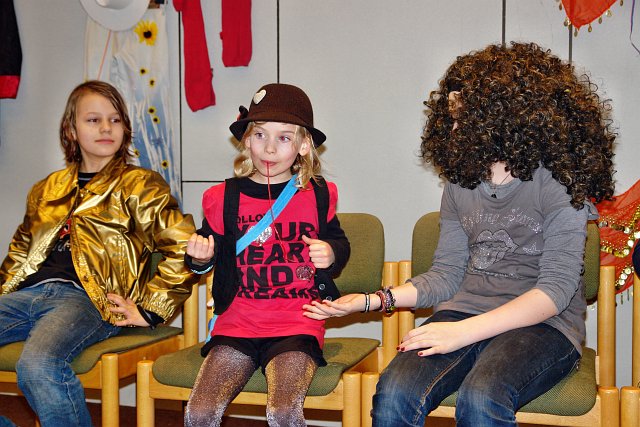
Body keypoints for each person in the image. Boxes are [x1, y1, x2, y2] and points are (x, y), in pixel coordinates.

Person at [304, 42, 616, 426]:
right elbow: (446, 276)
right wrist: (370, 301)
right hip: (464, 312)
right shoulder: (459, 183)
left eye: (463, 118)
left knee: (483, 397)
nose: (452, 128)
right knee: (394, 392)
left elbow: (554, 292)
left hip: (545, 327)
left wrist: (462, 333)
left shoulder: (559, 183)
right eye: (451, 118)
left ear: (504, 118)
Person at [0, 80, 198, 427]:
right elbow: (20, 250)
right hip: (27, 295)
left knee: (38, 364)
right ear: (71, 130)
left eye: (115, 119)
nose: (106, 127)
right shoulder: (47, 189)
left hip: (87, 300)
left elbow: (185, 245)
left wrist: (151, 309)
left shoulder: (141, 185)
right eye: (93, 120)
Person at [183, 83, 350, 427]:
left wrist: (331, 253)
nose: (270, 148)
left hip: (297, 324)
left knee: (283, 413)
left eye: (284, 138)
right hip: (237, 323)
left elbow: (339, 242)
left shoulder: (318, 194)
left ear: (304, 145)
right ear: (246, 140)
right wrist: (199, 258)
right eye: (260, 135)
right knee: (198, 413)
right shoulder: (221, 198)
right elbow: (207, 256)